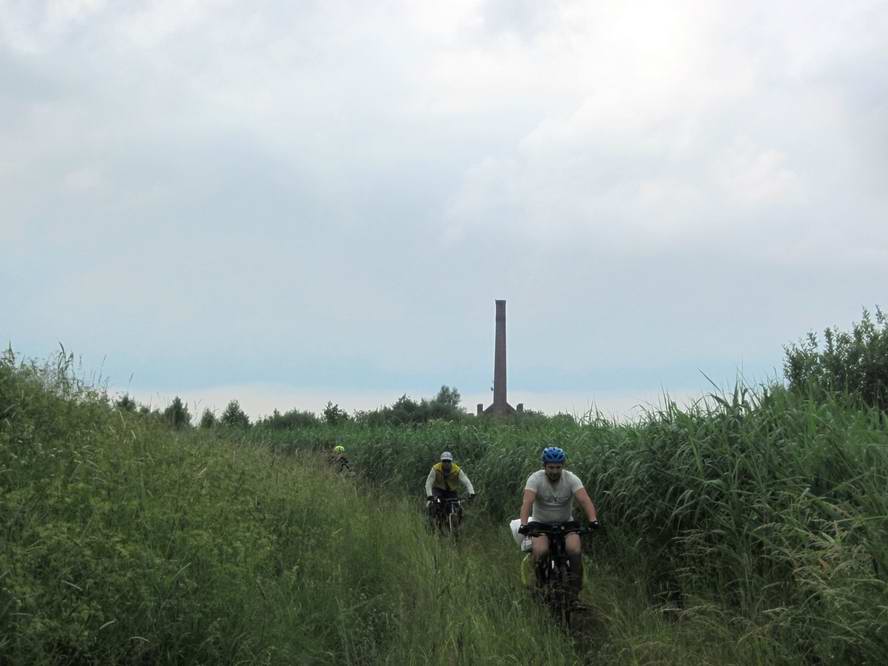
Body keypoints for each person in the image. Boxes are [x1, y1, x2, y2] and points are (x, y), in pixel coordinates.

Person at [518, 446, 599, 595]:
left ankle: (575, 592)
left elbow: (584, 500)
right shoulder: (535, 479)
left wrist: (593, 520)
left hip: (566, 523)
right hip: (540, 523)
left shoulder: (571, 478)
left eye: (558, 467)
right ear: (544, 466)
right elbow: (527, 502)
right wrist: (524, 524)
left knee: (574, 550)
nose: (554, 471)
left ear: (563, 466)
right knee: (541, 551)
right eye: (551, 467)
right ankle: (541, 585)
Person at [425, 451, 475, 523]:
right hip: (438, 490)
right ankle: (430, 522)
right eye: (444, 461)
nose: (446, 463)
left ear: (451, 461)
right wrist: (429, 495)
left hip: (451, 491)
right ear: (441, 461)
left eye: (448, 461)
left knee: (458, 507)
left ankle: (458, 525)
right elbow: (429, 483)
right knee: (434, 504)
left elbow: (467, 482)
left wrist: (472, 493)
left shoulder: (457, 470)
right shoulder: (435, 469)